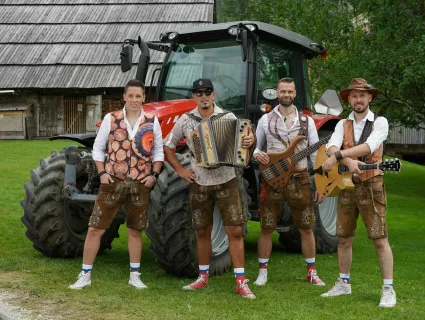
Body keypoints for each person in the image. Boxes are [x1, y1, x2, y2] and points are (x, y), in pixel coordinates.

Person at [163, 78, 256, 299]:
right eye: (199, 93)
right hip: (200, 183)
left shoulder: (229, 118)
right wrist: (180, 171)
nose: (203, 96)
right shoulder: (186, 120)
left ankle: (241, 281)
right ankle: (202, 277)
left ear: (213, 95)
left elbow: (246, 147)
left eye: (207, 92)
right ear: (194, 96)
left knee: (234, 230)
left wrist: (249, 140)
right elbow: (168, 145)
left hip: (227, 180)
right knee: (202, 230)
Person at [69, 79, 164, 290]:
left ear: (143, 98)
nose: (134, 100)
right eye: (130, 95)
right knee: (95, 228)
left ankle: (135, 276)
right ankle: (84, 275)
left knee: (135, 230)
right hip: (112, 181)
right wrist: (102, 173)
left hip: (140, 183)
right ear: (124, 97)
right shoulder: (111, 118)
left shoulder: (152, 120)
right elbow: (97, 148)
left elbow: (158, 151)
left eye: (138, 96)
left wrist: (154, 176)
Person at [320, 78, 396, 308]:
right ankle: (344, 284)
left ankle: (388, 289)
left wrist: (339, 156)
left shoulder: (380, 122)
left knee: (380, 239)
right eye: (354, 95)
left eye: (363, 95)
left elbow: (369, 147)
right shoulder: (342, 124)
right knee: (343, 238)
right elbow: (330, 146)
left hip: (371, 185)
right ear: (349, 99)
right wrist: (346, 158)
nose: (358, 99)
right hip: (346, 185)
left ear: (370, 97)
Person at [252, 77, 325, 287]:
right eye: (283, 91)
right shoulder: (265, 120)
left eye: (290, 92)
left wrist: (320, 183)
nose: (286, 95)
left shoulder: (307, 121)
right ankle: (263, 271)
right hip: (273, 178)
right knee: (266, 226)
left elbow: (314, 155)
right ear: (277, 92)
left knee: (306, 227)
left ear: (295, 94)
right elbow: (256, 147)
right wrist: (258, 155)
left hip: (300, 179)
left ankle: (311, 272)